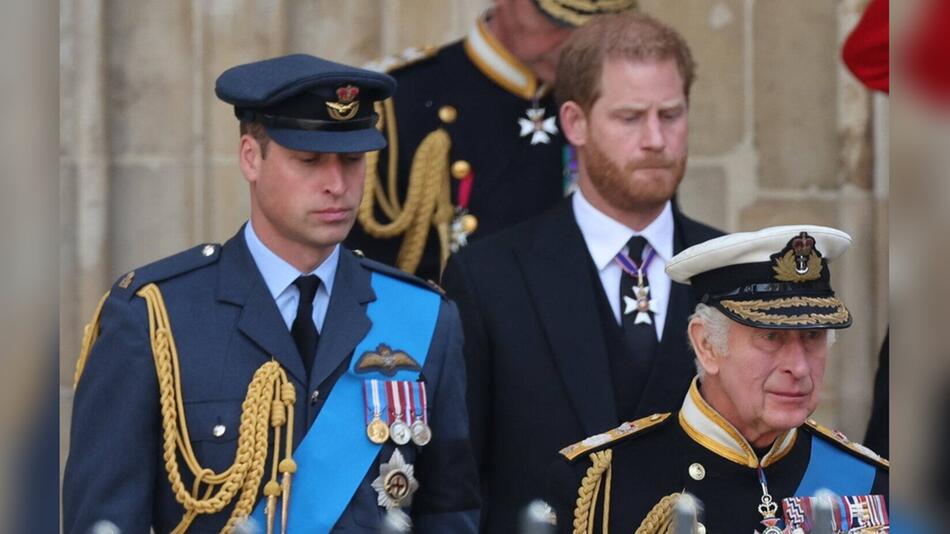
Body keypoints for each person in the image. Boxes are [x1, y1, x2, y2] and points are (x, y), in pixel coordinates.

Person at [62, 54, 480, 534]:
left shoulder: (422, 316)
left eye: (351, 160)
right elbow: (104, 521)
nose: (337, 185)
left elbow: (450, 512)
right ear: (250, 158)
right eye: (309, 161)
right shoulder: (155, 318)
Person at [440, 13, 721, 533]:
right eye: (631, 117)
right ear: (574, 122)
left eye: (671, 114)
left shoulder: (733, 269)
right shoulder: (488, 279)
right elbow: (456, 487)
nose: (656, 138)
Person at [548, 225, 890, 533]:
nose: (799, 367)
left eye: (813, 337)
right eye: (771, 338)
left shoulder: (868, 481)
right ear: (706, 344)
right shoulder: (600, 487)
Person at [346, 0, 638, 280]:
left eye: (598, 26)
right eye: (558, 20)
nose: (580, 43)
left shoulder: (622, 100)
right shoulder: (399, 101)